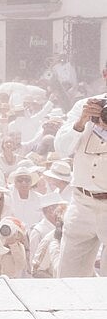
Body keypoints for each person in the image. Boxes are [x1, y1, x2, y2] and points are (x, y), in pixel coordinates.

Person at [55, 95, 107, 276]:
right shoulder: (85, 106)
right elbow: (62, 149)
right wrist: (80, 122)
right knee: (68, 278)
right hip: (82, 202)